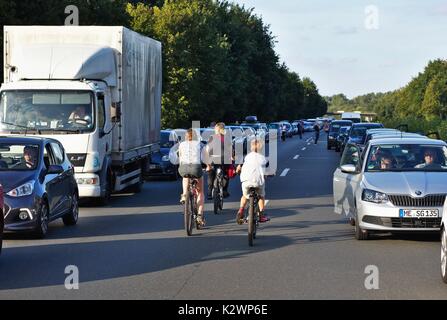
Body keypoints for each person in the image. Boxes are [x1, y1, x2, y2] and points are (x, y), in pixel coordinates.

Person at [235, 138, 270, 224]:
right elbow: (268, 171)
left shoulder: (246, 157)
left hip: (246, 181)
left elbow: (238, 169)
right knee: (261, 196)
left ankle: (241, 210)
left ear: (251, 147)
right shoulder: (264, 159)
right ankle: (261, 215)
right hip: (258, 182)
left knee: (244, 196)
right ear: (261, 148)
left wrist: (238, 171)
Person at [178, 128, 205, 227]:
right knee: (200, 191)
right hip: (196, 168)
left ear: (186, 136)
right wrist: (209, 166)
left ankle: (185, 194)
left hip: (183, 168)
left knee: (185, 177)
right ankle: (199, 215)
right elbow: (204, 157)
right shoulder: (200, 145)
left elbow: (180, 157)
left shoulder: (181, 145)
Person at [205, 122, 232, 200]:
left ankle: (209, 192)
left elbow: (207, 150)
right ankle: (225, 190)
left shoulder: (211, 137)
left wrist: (207, 163)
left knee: (210, 173)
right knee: (226, 174)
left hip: (213, 160)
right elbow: (230, 149)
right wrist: (232, 157)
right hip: (224, 160)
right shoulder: (226, 138)